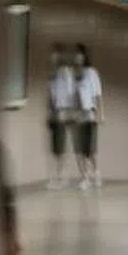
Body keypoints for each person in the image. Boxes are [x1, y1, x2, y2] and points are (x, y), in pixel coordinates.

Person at [46, 43, 78, 190]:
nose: (52, 58)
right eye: (52, 55)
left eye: (55, 55)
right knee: (55, 148)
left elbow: (70, 94)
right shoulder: (52, 75)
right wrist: (49, 112)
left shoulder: (66, 72)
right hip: (54, 114)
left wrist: (68, 113)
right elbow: (50, 96)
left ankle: (62, 177)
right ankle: (57, 177)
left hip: (63, 114)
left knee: (61, 147)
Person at [73, 44, 104, 190]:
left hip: (90, 115)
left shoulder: (92, 73)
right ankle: (85, 178)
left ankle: (96, 174)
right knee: (79, 150)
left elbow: (98, 95)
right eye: (75, 55)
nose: (77, 57)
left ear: (84, 56)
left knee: (90, 149)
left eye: (79, 54)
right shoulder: (75, 75)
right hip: (78, 116)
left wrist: (101, 114)